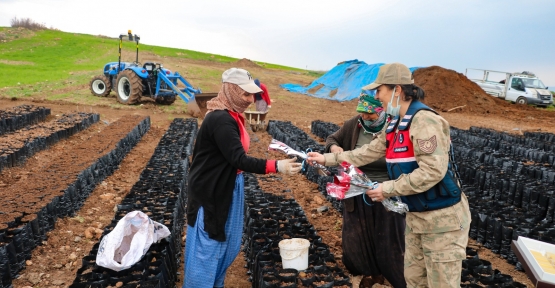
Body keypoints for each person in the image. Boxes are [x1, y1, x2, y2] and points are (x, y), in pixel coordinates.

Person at [308, 63, 470, 288]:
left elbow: (432, 171)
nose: (376, 97)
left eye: (379, 90)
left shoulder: (424, 121)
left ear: (397, 90)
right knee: (414, 280)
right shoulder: (394, 124)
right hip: (416, 216)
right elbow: (368, 152)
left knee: (441, 283)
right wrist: (326, 159)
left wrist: (387, 189)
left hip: (441, 221)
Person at [184, 67, 302, 288]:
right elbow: (238, 159)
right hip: (211, 190)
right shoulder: (221, 119)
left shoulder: (233, 115)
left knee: (224, 245)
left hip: (226, 185)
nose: (250, 99)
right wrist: (276, 166)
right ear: (231, 91)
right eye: (246, 94)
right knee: (207, 248)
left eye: (252, 95)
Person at [326, 93, 406, 288]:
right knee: (357, 234)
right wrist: (335, 148)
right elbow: (331, 139)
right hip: (358, 189)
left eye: (370, 114)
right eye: (362, 113)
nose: (365, 117)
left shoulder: (394, 126)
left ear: (381, 110)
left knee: (388, 235)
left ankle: (390, 274)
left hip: (387, 190)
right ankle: (365, 272)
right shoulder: (353, 125)